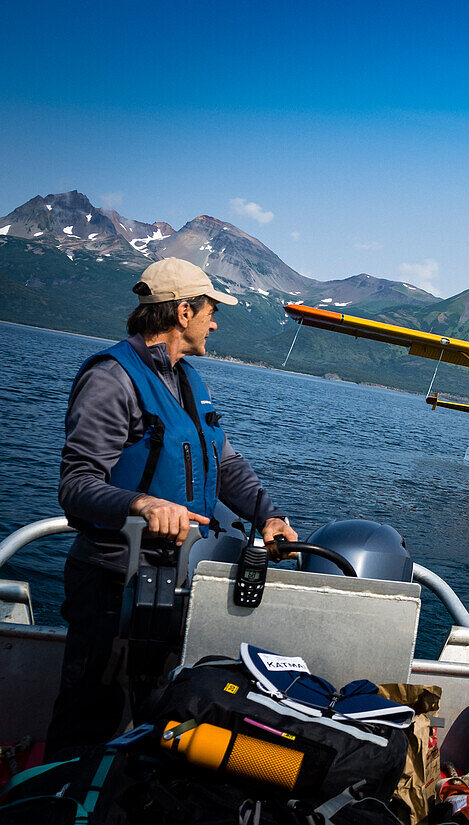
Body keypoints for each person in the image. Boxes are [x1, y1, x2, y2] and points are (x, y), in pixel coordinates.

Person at [46, 257, 298, 756]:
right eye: (209, 310)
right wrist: (140, 503)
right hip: (112, 585)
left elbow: (226, 467)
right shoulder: (112, 378)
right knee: (88, 721)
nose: (215, 321)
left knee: (160, 721)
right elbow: (76, 486)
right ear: (183, 312)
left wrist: (268, 513)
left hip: (175, 582)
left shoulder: (191, 383)